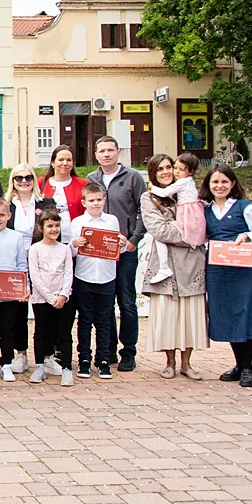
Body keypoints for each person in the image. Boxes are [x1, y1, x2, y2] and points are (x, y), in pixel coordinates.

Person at [141, 155, 209, 380]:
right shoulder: (149, 197)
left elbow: (205, 223)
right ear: (153, 173)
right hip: (166, 263)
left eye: (169, 167)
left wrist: (193, 233)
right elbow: (158, 230)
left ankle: (186, 364)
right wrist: (192, 237)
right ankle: (169, 362)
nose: (166, 172)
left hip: (191, 264)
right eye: (160, 169)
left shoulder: (188, 192)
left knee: (190, 315)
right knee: (168, 315)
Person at [201, 164, 252, 387]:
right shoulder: (205, 209)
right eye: (215, 182)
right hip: (218, 271)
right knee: (228, 315)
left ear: (233, 184)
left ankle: (248, 367)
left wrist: (246, 236)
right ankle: (239, 365)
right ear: (208, 185)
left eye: (224, 182)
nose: (219, 186)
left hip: (243, 270)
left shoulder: (245, 207)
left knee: (245, 314)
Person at [87, 136, 147, 372]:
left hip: (125, 250)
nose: (106, 154)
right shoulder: (92, 178)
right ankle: (108, 348)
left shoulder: (133, 177)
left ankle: (128, 351)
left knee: (127, 301)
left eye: (110, 150)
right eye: (101, 151)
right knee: (105, 302)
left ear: (118, 152)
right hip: (100, 252)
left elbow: (144, 210)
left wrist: (134, 239)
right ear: (96, 154)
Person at [70, 182, 129, 381]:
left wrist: (122, 244)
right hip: (84, 276)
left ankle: (103, 360)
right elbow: (71, 251)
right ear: (84, 202)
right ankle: (84, 360)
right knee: (85, 320)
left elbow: (117, 249)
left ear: (104, 200)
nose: (95, 204)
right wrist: (74, 244)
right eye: (91, 200)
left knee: (104, 321)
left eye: (99, 200)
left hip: (106, 277)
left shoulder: (112, 221)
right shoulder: (77, 222)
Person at [5, 163, 55, 373]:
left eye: (28, 177)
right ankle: (21, 354)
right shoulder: (7, 205)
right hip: (15, 263)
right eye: (19, 178)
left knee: (44, 309)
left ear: (34, 180)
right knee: (18, 311)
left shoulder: (47, 203)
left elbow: (54, 231)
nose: (24, 181)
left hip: (42, 262)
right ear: (13, 181)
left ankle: (48, 355)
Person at [0, 197, 29, 383]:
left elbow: (21, 264)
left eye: (2, 215)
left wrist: (24, 287)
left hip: (9, 295)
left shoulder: (16, 237)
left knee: (8, 330)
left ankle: (7, 364)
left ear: (9, 215)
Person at [28, 210, 74, 386]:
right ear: (41, 228)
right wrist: (49, 297)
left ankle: (67, 369)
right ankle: (40, 366)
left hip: (63, 299)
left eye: (57, 226)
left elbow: (68, 273)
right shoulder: (35, 249)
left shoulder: (65, 249)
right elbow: (35, 275)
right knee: (41, 332)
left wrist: (63, 295)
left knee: (64, 333)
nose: (54, 229)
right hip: (42, 299)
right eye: (50, 226)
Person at [147, 152, 206, 285]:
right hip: (190, 217)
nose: (175, 172)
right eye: (175, 168)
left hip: (188, 219)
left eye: (170, 167)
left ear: (190, 172)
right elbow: (159, 231)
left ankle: (164, 267)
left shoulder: (182, 183)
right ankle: (163, 267)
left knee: (160, 236)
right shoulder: (187, 183)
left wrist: (152, 187)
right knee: (159, 236)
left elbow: (165, 192)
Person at [38, 145, 88, 243]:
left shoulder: (83, 184)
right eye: (61, 160)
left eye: (69, 160)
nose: (65, 163)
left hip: (75, 240)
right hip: (47, 240)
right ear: (52, 163)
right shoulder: (40, 183)